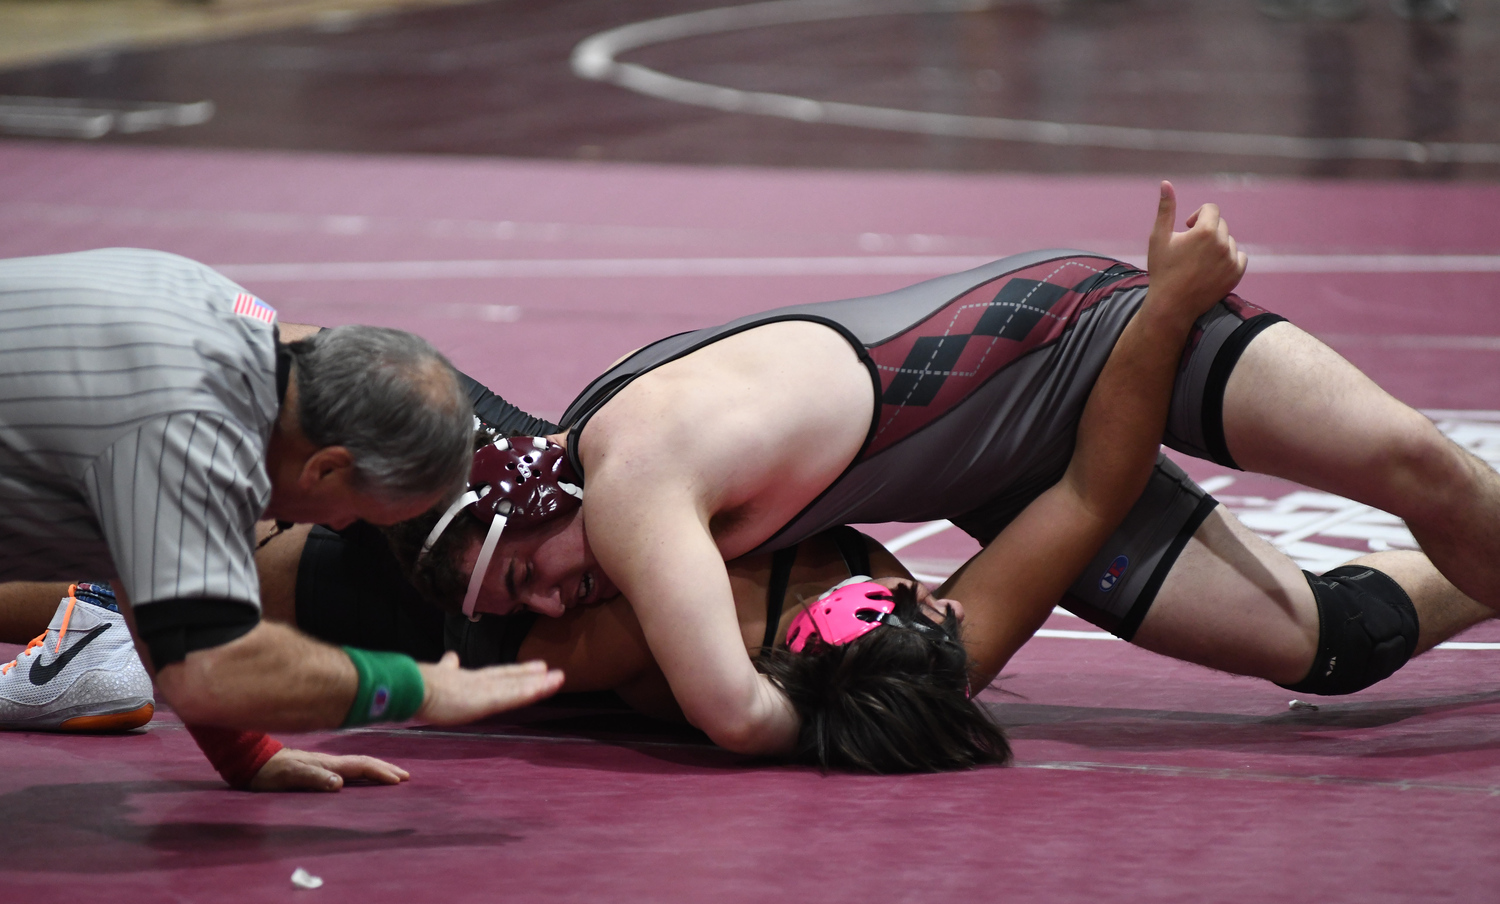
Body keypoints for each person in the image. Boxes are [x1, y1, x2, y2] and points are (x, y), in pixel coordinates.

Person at [394, 182, 1500, 760]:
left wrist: (1167, 310)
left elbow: (732, 716)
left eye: (528, 575)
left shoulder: (634, 485)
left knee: (1417, 464)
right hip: (999, 472)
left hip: (1082, 333)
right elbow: (1086, 496)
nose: (549, 604)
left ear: (524, 494)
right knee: (1329, 645)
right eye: (524, 609)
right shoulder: (585, 502)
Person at [0, 248, 563, 790]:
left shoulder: (232, 317)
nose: (342, 528)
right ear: (325, 468)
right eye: (358, 512)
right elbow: (208, 671)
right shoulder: (191, 434)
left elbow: (159, 613)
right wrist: (420, 689)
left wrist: (247, 755)